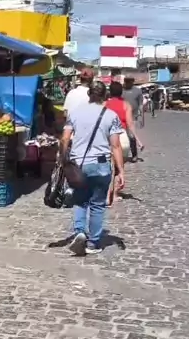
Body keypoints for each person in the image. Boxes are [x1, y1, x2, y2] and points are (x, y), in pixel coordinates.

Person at [60, 80, 125, 256]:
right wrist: (121, 171)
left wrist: (63, 159)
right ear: (105, 96)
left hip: (79, 165)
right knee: (97, 204)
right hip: (101, 165)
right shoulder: (111, 115)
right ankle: (93, 243)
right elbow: (115, 145)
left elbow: (65, 139)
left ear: (89, 94)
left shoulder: (75, 113)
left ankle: (80, 232)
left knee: (80, 200)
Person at [105, 80, 143, 202]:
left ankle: (106, 194)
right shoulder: (126, 105)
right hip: (122, 138)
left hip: (107, 138)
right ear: (121, 92)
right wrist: (138, 140)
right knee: (119, 167)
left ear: (110, 92)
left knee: (107, 167)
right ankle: (115, 194)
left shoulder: (105, 104)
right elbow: (130, 124)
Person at [122, 77, 143, 162]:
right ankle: (121, 154)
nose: (127, 82)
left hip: (133, 116)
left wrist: (142, 118)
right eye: (126, 81)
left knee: (131, 136)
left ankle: (134, 154)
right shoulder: (121, 90)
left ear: (133, 81)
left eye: (129, 81)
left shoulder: (137, 91)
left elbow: (140, 104)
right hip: (121, 116)